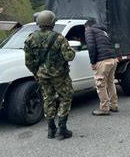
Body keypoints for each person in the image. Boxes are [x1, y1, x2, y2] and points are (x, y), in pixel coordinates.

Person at [24, 10, 76, 140]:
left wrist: (36, 72)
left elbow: (28, 62)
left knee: (48, 99)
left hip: (42, 75)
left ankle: (51, 129)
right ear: (52, 22)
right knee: (65, 97)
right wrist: (72, 51)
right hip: (60, 75)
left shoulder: (30, 38)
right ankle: (62, 129)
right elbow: (69, 56)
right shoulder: (58, 38)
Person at [84, 19, 118, 116]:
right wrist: (114, 56)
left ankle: (104, 108)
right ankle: (114, 105)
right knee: (111, 83)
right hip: (112, 59)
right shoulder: (103, 31)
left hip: (102, 60)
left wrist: (93, 62)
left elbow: (91, 46)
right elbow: (111, 44)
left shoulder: (90, 31)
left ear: (87, 26)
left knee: (100, 84)